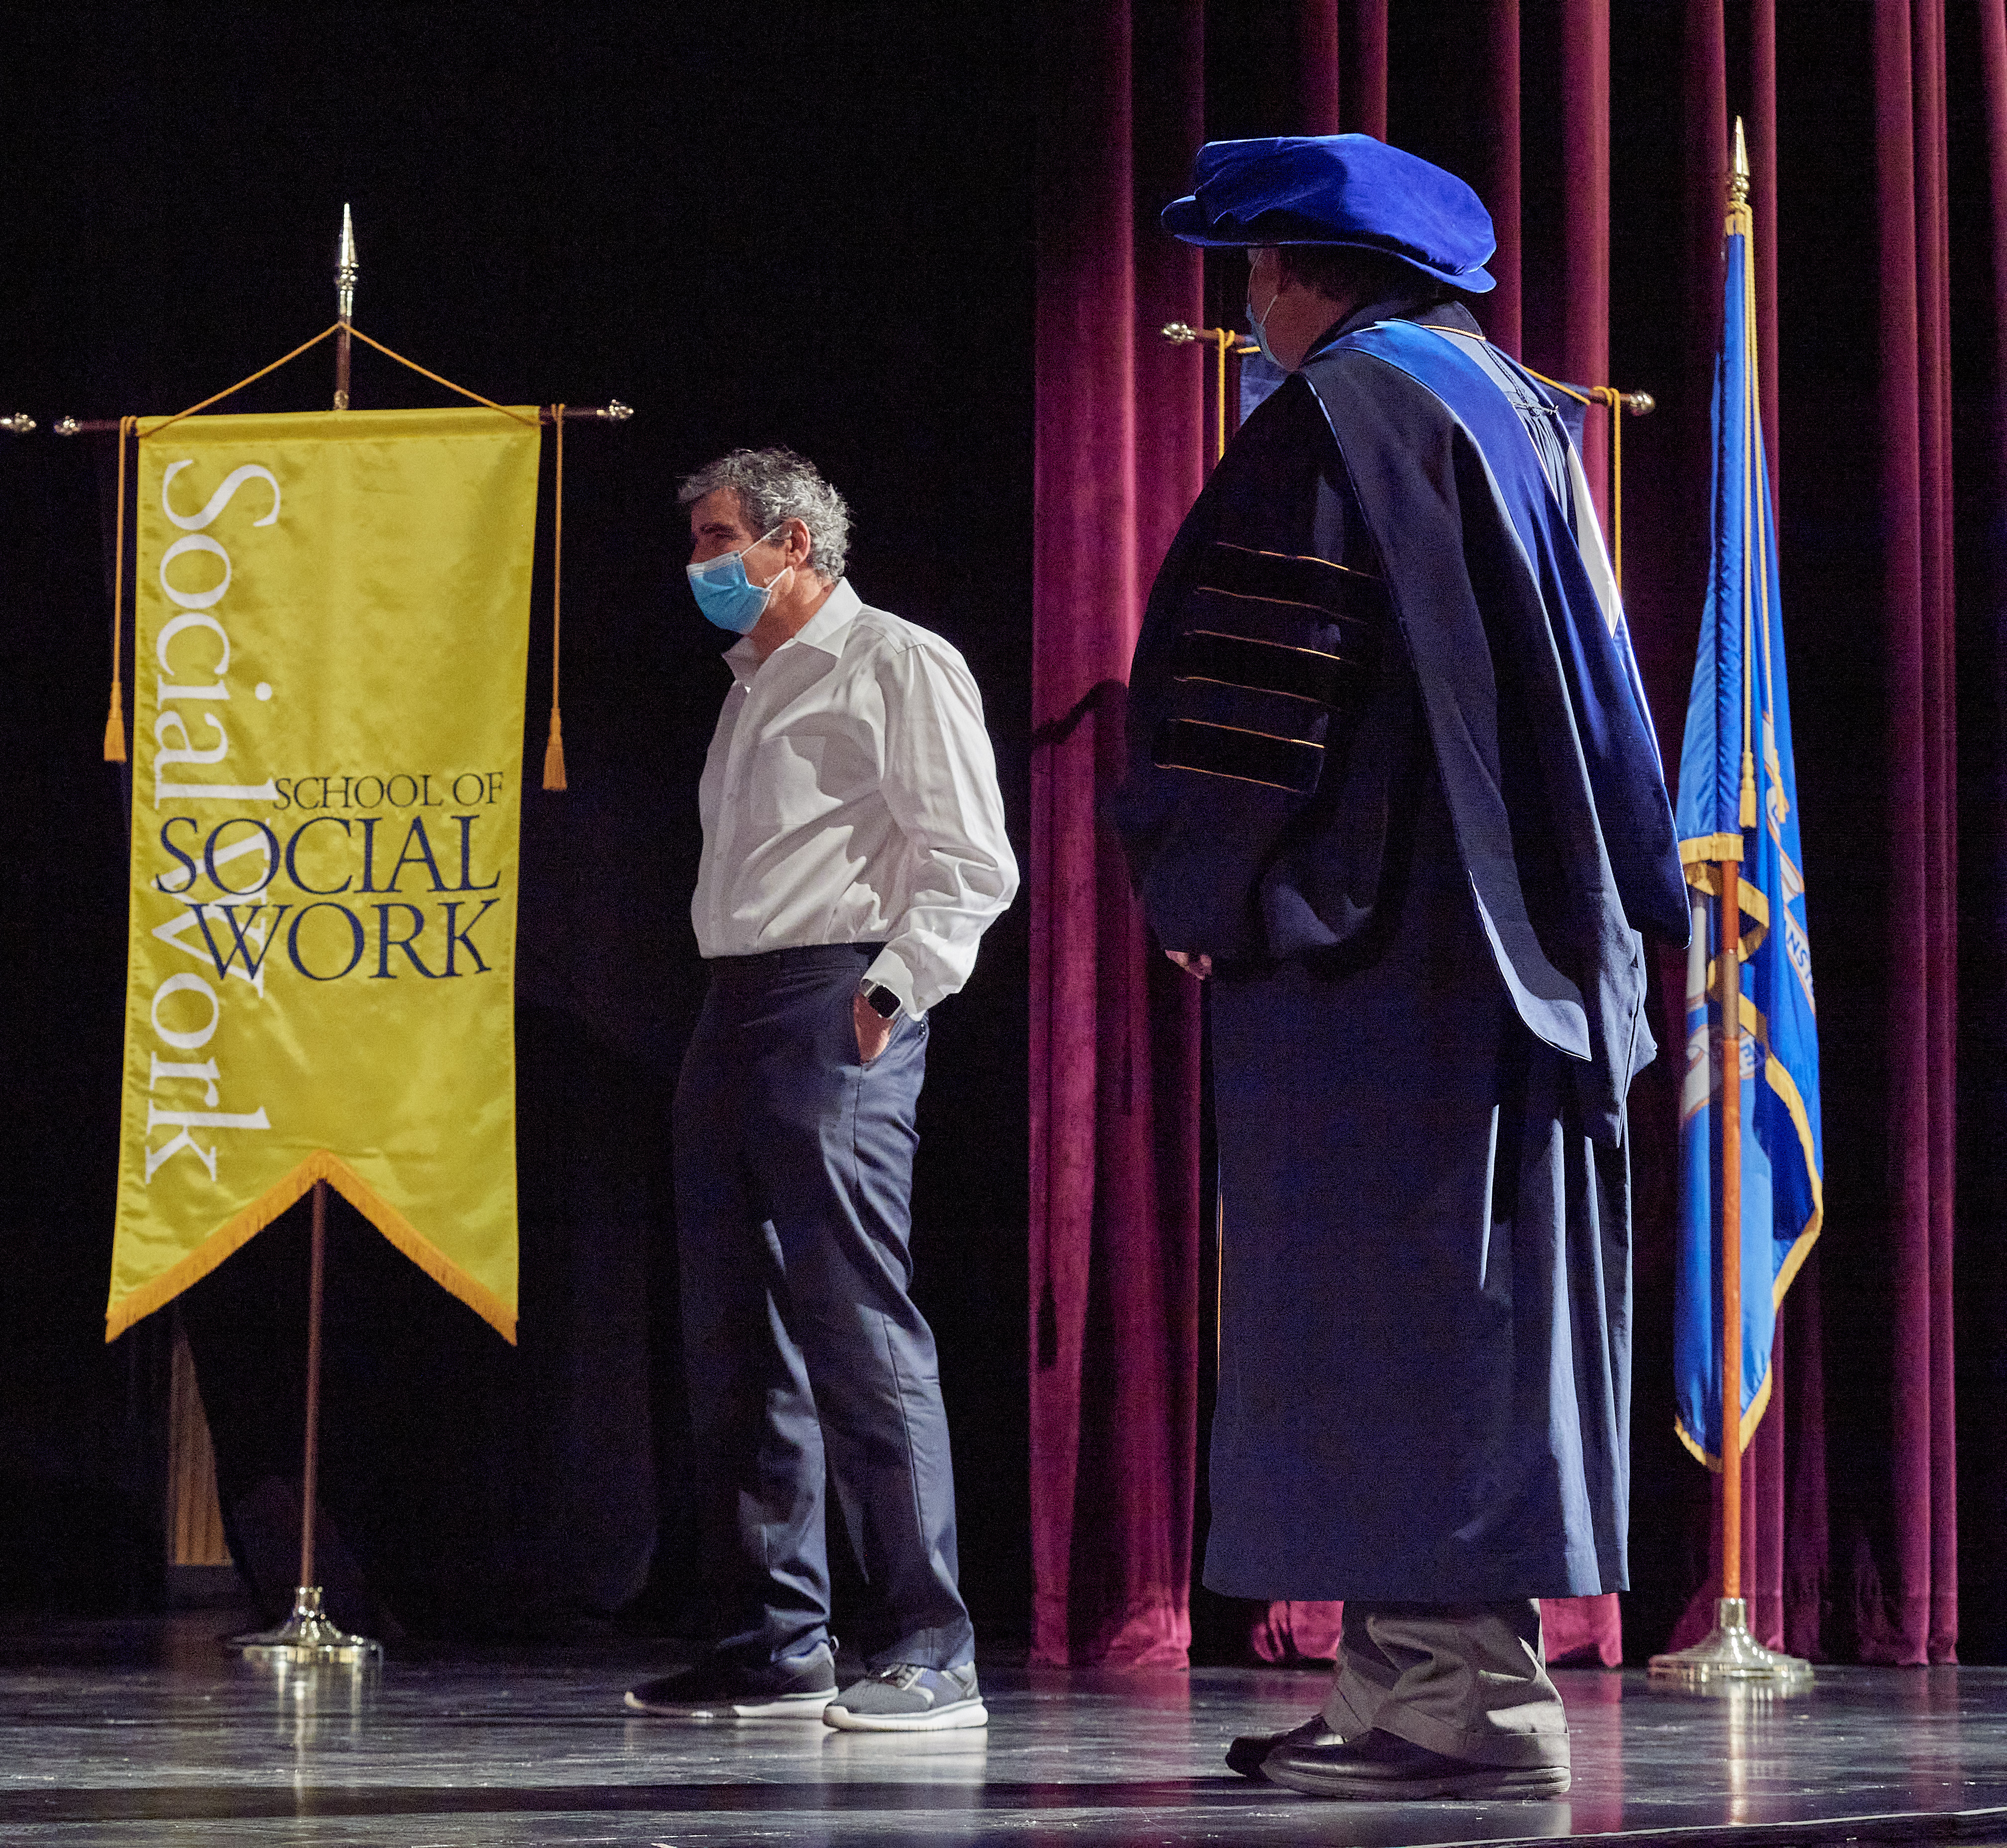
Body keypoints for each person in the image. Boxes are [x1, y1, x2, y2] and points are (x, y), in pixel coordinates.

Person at [1112, 136, 1687, 1799]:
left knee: (1399, 1323)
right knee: (1441, 1322)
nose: (1248, 308)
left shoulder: (1335, 419)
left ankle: (1459, 1705)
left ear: (1297, 273)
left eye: (1252, 276)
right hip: (1517, 954)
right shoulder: (1517, 414)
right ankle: (1396, 1684)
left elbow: (1261, 688)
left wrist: (1205, 881)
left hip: (1388, 968)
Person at [626, 448, 1017, 1732]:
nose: (702, 567)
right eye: (694, 544)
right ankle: (776, 1637)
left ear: (795, 543)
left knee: (857, 1324)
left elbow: (970, 858)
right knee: (735, 1333)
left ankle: (929, 1642)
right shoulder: (748, 687)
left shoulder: (897, 660)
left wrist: (893, 994)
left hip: (837, 999)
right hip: (733, 1007)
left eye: (719, 538)